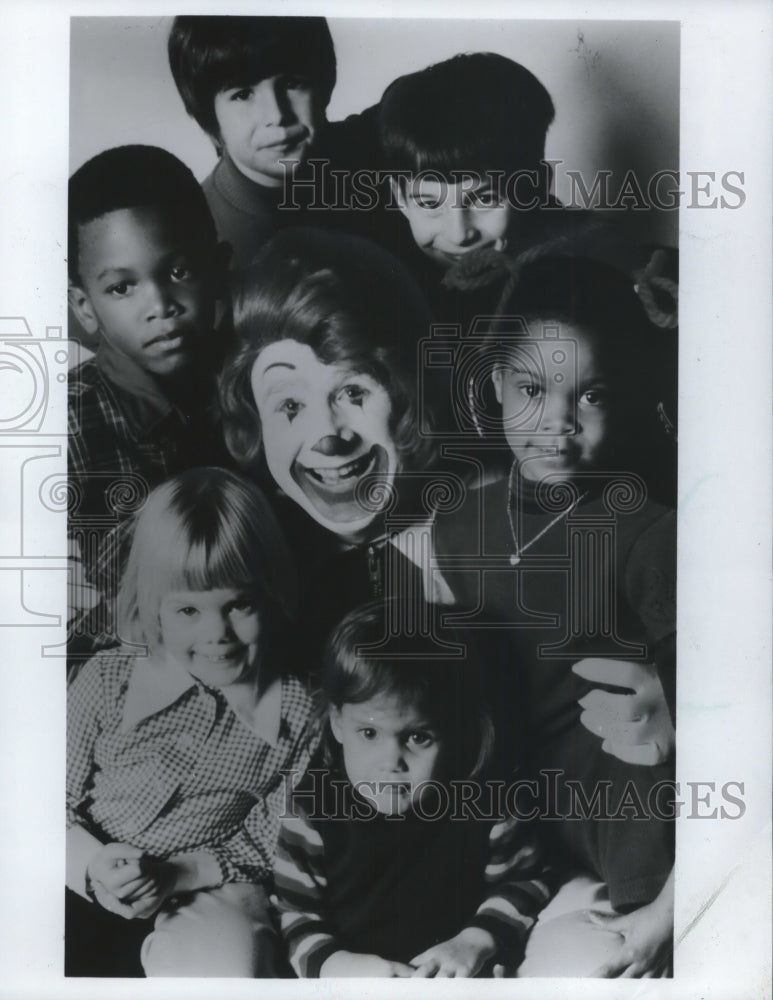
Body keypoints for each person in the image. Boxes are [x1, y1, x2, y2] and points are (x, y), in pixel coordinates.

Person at [432, 252, 677, 977]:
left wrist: (667, 904)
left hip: (626, 835)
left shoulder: (646, 531)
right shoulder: (456, 524)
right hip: (510, 835)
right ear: (495, 386)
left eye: (591, 395)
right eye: (533, 390)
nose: (558, 423)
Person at [65, 468, 314, 977]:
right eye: (187, 611)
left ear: (272, 594)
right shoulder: (109, 677)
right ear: (154, 609)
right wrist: (90, 863)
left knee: (230, 957)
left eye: (239, 604)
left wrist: (181, 874)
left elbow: (273, 835)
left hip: (203, 886)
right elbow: (37, 800)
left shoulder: (299, 709)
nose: (217, 633)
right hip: (82, 864)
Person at [273, 599, 554, 978]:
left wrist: (476, 941)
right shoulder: (313, 808)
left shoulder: (487, 800)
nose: (391, 762)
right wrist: (337, 965)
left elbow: (525, 881)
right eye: (369, 733)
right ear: (338, 723)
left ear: (457, 730)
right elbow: (297, 915)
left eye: (419, 737)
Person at [219, 227, 449, 660]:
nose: (327, 436)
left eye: (353, 393)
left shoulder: (488, 536)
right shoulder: (260, 577)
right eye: (289, 405)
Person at [67, 145, 231, 650]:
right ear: (85, 307)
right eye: (122, 288)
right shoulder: (69, 425)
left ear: (219, 268)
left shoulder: (252, 384)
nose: (159, 306)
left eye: (179, 273)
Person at [168, 16, 383, 268]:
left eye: (293, 83)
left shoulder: (366, 146)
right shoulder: (192, 236)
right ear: (208, 118)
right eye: (243, 94)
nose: (277, 115)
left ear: (323, 87)